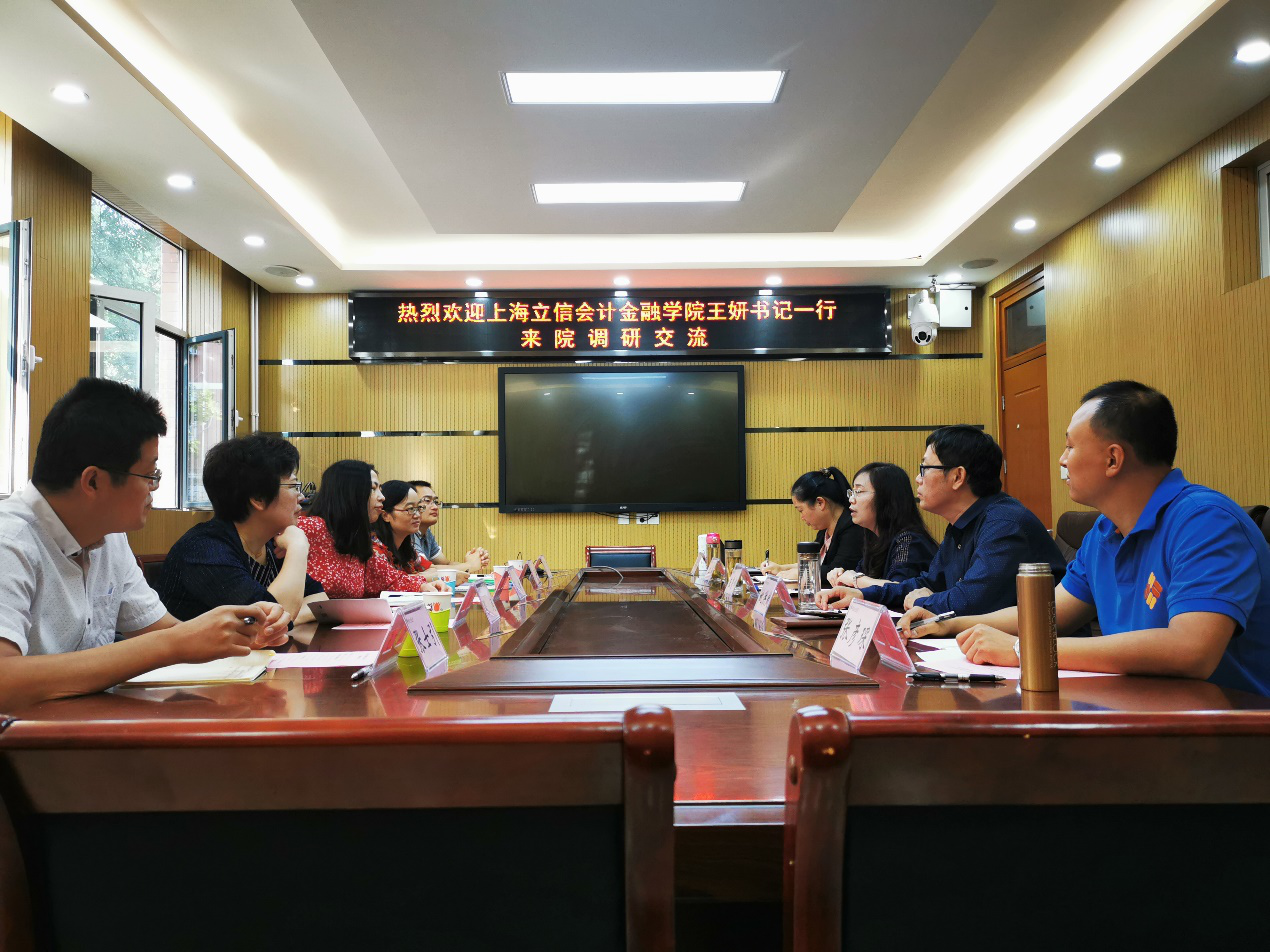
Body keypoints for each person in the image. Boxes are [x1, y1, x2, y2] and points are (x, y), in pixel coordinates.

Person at [905, 382, 1270, 696]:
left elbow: (1191, 650)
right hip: (1140, 710)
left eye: (1070, 447)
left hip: (1232, 729)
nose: (1061, 460)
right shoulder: (1104, 532)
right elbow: (1051, 612)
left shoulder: (1205, 521)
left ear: (1113, 460)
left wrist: (1023, 650)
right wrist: (949, 624)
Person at [0, 378, 289, 708]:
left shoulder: (108, 537)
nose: (155, 487)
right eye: (150, 475)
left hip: (88, 726)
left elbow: (159, 631)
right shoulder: (10, 542)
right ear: (93, 481)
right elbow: (4, 680)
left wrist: (239, 634)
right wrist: (173, 644)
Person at [818, 426, 1064, 614]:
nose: (918, 478)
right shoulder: (961, 524)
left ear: (957, 476)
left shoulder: (1004, 524)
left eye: (924, 468)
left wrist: (921, 601)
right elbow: (929, 582)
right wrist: (863, 595)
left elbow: (969, 601)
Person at [159, 434, 326, 624]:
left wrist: (288, 618)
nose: (301, 496)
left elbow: (319, 600)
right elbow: (267, 622)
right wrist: (298, 546)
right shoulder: (204, 550)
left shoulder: (271, 545)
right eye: (294, 486)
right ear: (258, 498)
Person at [299, 460, 446, 598]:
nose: (382, 497)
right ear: (350, 492)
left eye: (380, 489)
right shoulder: (309, 528)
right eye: (373, 489)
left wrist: (423, 586)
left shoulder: (357, 538)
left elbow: (390, 579)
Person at [824, 462, 937, 597]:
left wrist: (855, 579)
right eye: (852, 492)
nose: (851, 499)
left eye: (858, 492)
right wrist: (843, 578)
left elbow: (900, 590)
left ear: (886, 497)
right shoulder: (874, 537)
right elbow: (867, 584)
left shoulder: (909, 539)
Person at [761, 467, 865, 586]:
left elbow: (838, 572)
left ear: (820, 503)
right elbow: (813, 564)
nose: (802, 517)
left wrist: (801, 573)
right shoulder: (824, 529)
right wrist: (781, 568)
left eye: (801, 510)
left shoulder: (853, 529)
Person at [408, 479, 490, 573]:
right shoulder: (408, 533)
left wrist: (473, 561)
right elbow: (426, 570)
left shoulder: (426, 532)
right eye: (427, 500)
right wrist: (470, 566)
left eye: (436, 502)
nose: (435, 507)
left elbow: (446, 564)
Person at [374, 480, 432, 573]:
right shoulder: (375, 551)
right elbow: (393, 580)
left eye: (419, 508)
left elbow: (431, 568)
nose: (417, 515)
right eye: (410, 509)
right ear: (386, 515)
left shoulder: (406, 548)